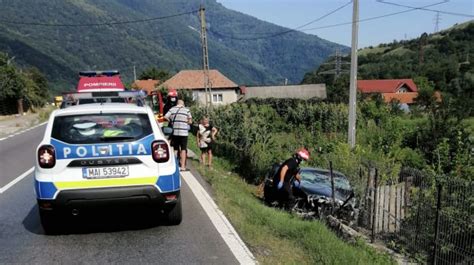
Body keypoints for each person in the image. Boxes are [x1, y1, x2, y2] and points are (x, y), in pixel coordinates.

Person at [164, 99, 192, 171]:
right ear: (183, 104)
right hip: (184, 133)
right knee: (183, 149)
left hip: (175, 132)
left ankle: (174, 165)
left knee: (175, 149)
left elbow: (165, 117)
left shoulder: (172, 109)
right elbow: (190, 121)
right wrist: (186, 122)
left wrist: (171, 121)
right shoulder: (186, 110)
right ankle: (182, 167)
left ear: (177, 104)